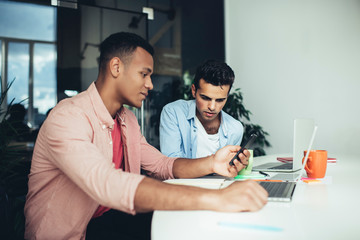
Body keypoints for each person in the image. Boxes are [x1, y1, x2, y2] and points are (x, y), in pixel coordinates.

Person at [24, 32, 267, 240]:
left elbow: (162, 164)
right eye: (144, 74)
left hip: (109, 221)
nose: (150, 84)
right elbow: (108, 184)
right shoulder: (68, 116)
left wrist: (214, 162)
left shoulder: (127, 120)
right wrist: (216, 198)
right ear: (116, 67)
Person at [159, 60, 243, 158]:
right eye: (205, 98)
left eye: (220, 100)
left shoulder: (235, 128)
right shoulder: (173, 113)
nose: (212, 107)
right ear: (194, 91)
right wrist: (213, 165)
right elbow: (171, 165)